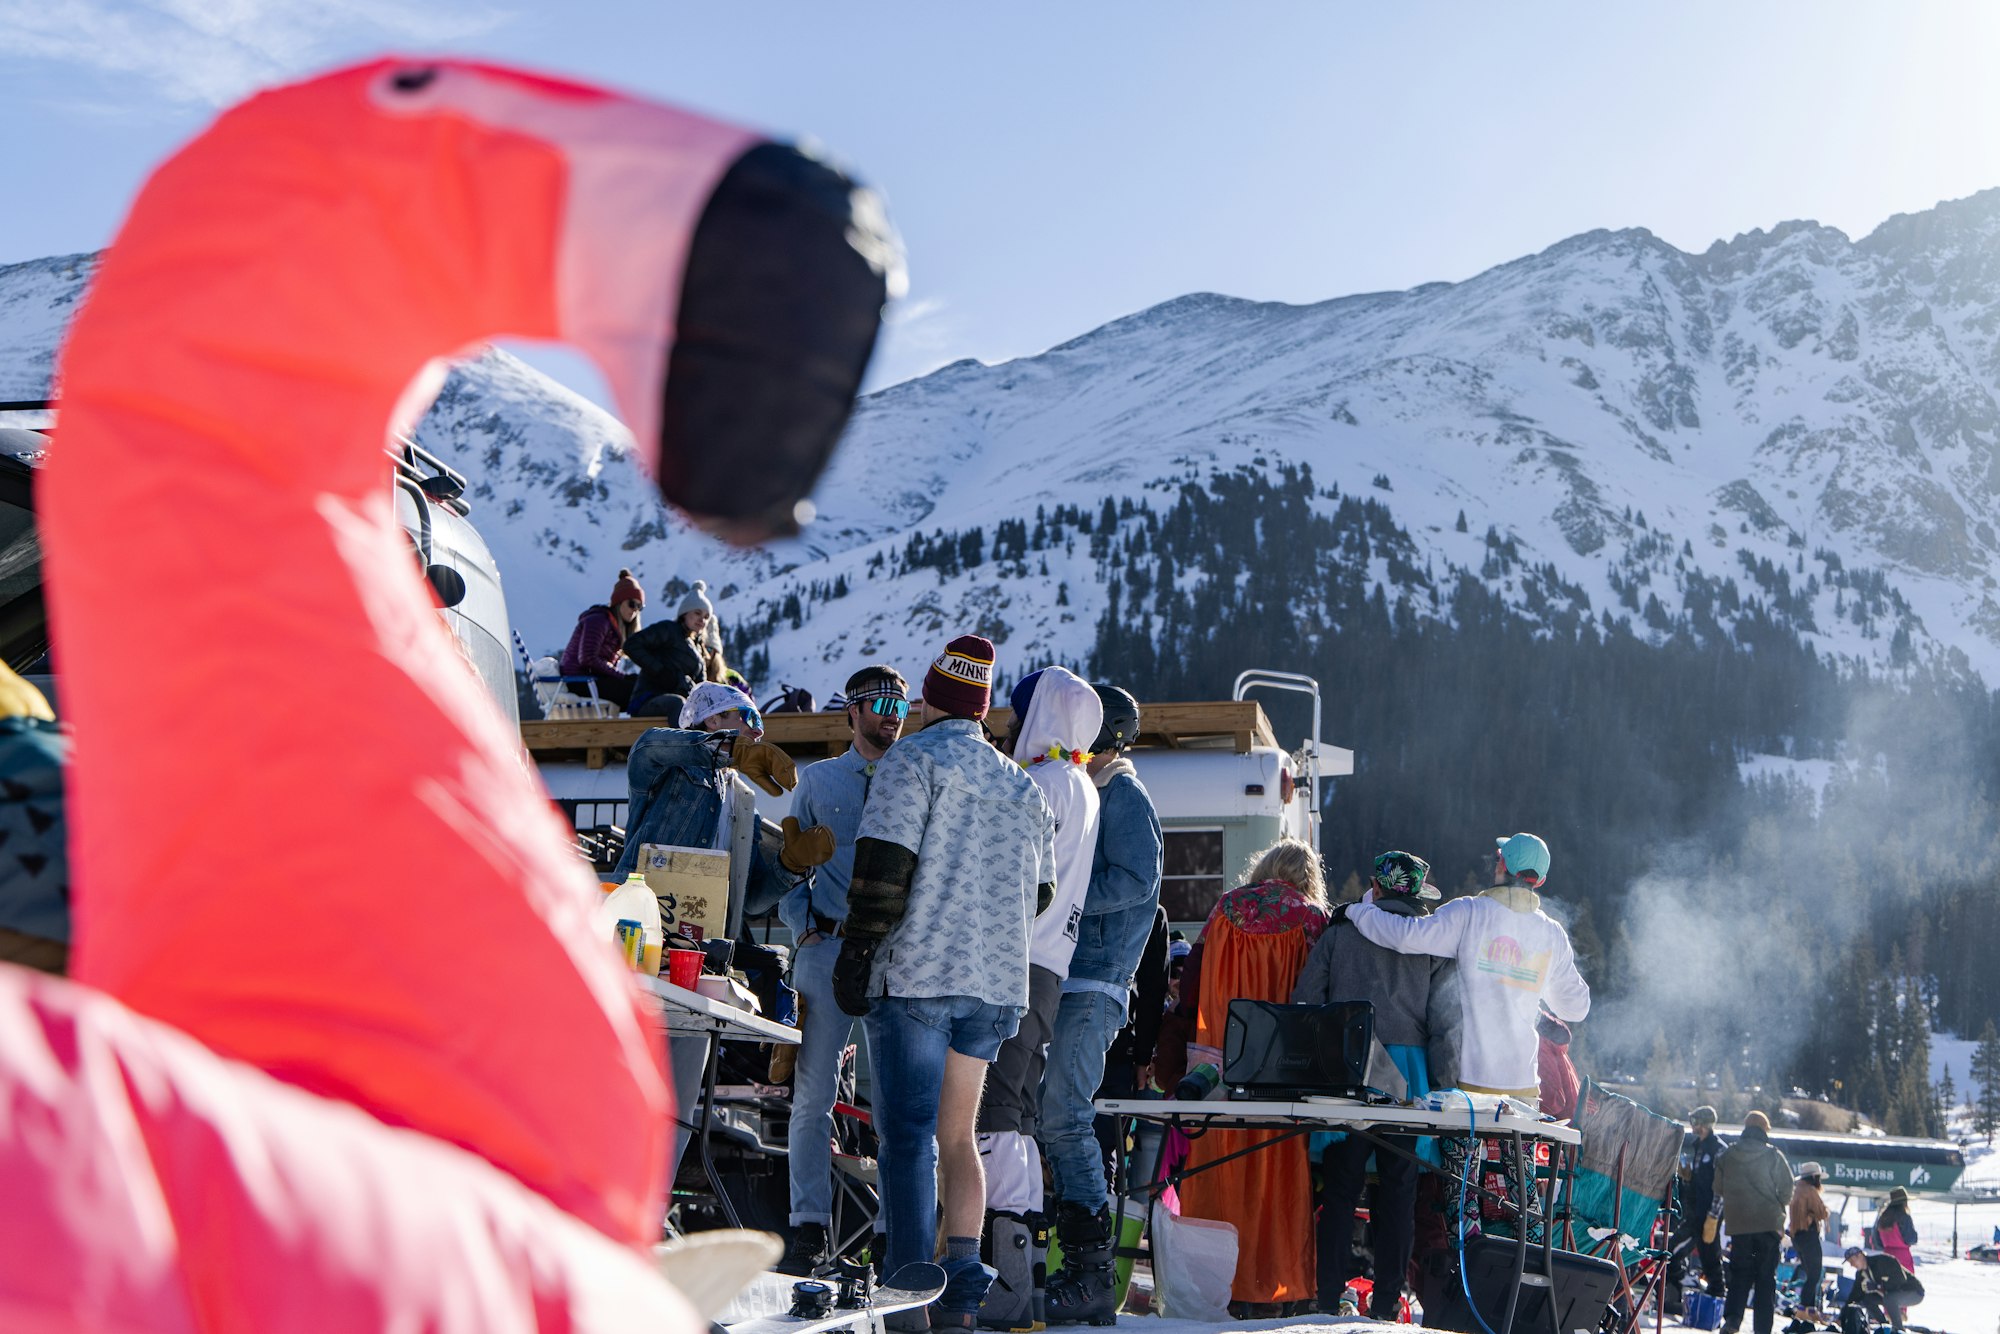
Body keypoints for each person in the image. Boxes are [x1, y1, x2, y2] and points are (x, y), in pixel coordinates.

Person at [831, 635, 1057, 1332]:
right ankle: (958, 1294)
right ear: (983, 711)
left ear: (931, 702)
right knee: (959, 1138)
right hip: (994, 987)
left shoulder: (912, 761)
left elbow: (882, 871)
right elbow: (1041, 894)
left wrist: (858, 952)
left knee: (906, 1141)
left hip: (920, 979)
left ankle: (905, 1304)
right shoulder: (1024, 788)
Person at [976, 665, 1102, 1331]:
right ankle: (1023, 1264)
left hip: (1014, 958)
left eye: (1022, 713)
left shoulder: (1043, 785)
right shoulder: (1083, 785)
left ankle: (1001, 1278)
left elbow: (1007, 874)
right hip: (1055, 965)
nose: (1013, 725)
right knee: (1020, 1111)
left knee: (991, 1106)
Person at [774, 664, 909, 1275]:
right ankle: (808, 1229)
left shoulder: (917, 777)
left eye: (900, 703)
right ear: (851, 712)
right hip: (825, 952)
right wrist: (802, 929)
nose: (892, 712)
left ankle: (888, 1231)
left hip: (896, 958)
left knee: (893, 1102)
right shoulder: (817, 781)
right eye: (880, 702)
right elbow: (786, 865)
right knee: (813, 1099)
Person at [1163, 838, 1330, 1312]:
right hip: (1283, 1070)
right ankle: (1275, 1285)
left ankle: (1213, 1286)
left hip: (1218, 1064)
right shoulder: (1311, 917)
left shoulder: (1225, 908)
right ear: (1306, 876)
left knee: (1217, 1172)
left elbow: (1191, 983)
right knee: (1277, 1171)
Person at [1292, 850, 1458, 1321]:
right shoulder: (1431, 940)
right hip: (1409, 1078)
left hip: (1349, 1067)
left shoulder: (1341, 931)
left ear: (1375, 886)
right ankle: (1387, 1302)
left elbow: (1307, 999)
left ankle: (1329, 1298)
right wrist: (1445, 1086)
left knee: (1341, 1188)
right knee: (1399, 1192)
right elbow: (1446, 1022)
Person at [1041, 685, 1162, 1325]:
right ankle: (1077, 1266)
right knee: (1050, 1113)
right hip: (1073, 974)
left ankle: (1091, 1273)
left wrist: (1068, 893)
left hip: (1097, 979)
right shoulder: (1093, 788)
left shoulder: (1124, 794)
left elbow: (1140, 880)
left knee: (1064, 1113)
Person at [1345, 832, 1590, 1102]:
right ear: (1540, 881)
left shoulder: (1469, 913)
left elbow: (1405, 935)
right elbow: (1576, 1008)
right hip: (1524, 1088)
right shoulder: (1551, 934)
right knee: (1516, 1145)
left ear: (1501, 866)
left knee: (1473, 1145)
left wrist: (1359, 910)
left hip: (1471, 1086)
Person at [1715, 1109, 1795, 1334]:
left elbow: (1718, 1188)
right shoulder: (1773, 1155)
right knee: (1765, 1279)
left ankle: (1732, 1322)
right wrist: (1776, 1205)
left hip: (1740, 1227)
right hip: (1768, 1226)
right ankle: (1762, 1330)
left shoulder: (1728, 1155)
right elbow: (1788, 1189)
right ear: (1763, 1130)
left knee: (1739, 1274)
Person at [623, 578, 720, 718]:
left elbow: (701, 686)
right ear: (685, 613)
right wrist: (661, 672)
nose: (702, 620)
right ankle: (687, 740)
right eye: (697, 613)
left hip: (681, 707)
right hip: (650, 700)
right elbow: (631, 645)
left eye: (706, 617)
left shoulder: (699, 649)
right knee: (677, 703)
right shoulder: (668, 629)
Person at [557, 568, 644, 711]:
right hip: (578, 680)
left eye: (640, 606)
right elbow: (587, 658)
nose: (635, 610)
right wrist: (622, 677)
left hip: (592, 679)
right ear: (619, 601)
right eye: (632, 604)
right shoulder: (598, 620)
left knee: (639, 688)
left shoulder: (614, 627)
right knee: (635, 691)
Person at [1671, 1106, 1728, 1304]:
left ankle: (1716, 1296)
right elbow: (1700, 1180)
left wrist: (1713, 1215)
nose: (1692, 1126)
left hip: (1708, 1213)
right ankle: (1683, 1287)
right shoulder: (1699, 1147)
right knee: (1677, 1251)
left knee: (1709, 1255)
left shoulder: (1718, 1150)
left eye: (1695, 1122)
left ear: (1704, 1124)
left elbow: (1722, 1186)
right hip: (1695, 1211)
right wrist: (1688, 1181)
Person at [1839, 1245, 1924, 1332]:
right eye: (1850, 1262)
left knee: (1889, 1299)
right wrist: (1843, 1314)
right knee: (1867, 1299)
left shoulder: (1881, 1261)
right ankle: (1885, 1325)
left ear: (1860, 1255)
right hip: (1892, 1295)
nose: (1852, 1265)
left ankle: (1898, 1329)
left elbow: (1900, 1279)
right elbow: (1855, 1295)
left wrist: (1878, 1286)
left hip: (1914, 1291)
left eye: (1852, 1261)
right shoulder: (1861, 1274)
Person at [1786, 1161, 1829, 1325]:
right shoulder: (1810, 1191)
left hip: (1797, 1237)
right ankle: (1804, 1309)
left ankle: (1810, 1310)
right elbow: (1822, 1212)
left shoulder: (1796, 1190)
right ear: (1814, 1177)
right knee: (1815, 1274)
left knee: (1810, 1273)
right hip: (1809, 1235)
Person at [1873, 1184, 1918, 1273]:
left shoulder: (1882, 1218)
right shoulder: (1904, 1217)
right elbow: (1910, 1239)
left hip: (1887, 1255)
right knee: (1905, 1284)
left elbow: (1877, 1241)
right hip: (1903, 1257)